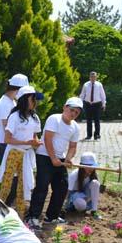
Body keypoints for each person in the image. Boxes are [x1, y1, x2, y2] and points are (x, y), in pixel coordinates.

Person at [26, 97, 83, 230]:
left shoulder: (75, 127)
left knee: (62, 187)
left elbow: (73, 146)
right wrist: (53, 158)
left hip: (60, 159)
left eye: (77, 113)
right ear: (64, 107)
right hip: (45, 156)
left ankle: (51, 216)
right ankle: (32, 217)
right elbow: (47, 139)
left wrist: (68, 159)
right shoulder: (54, 119)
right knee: (42, 187)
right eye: (72, 110)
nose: (73, 114)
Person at [0, 86, 42, 215]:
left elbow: (34, 135)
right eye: (33, 99)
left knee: (23, 186)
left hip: (26, 154)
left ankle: (20, 216)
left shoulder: (35, 118)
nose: (35, 102)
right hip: (14, 153)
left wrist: (35, 143)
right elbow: (7, 139)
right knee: (7, 185)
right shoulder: (14, 116)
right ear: (25, 99)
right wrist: (26, 143)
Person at [0, 73, 29, 172]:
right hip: (2, 142)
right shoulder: (5, 103)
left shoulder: (11, 101)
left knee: (12, 173)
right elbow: (6, 126)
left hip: (7, 142)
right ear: (18, 90)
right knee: (9, 173)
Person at [65, 152, 101, 219]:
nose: (91, 169)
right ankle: (74, 207)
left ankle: (94, 211)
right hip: (75, 196)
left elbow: (95, 192)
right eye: (88, 167)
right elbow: (68, 192)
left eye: (93, 167)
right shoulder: (74, 175)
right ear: (82, 167)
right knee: (81, 204)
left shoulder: (94, 175)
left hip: (86, 198)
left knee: (95, 183)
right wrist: (64, 207)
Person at [79, 71, 106, 140]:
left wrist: (104, 103)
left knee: (97, 120)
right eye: (92, 76)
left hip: (97, 104)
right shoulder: (86, 85)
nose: (93, 78)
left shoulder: (99, 85)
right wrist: (79, 103)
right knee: (88, 120)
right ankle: (89, 135)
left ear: (96, 77)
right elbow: (82, 95)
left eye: (94, 76)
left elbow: (102, 95)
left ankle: (97, 135)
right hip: (88, 104)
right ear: (89, 77)